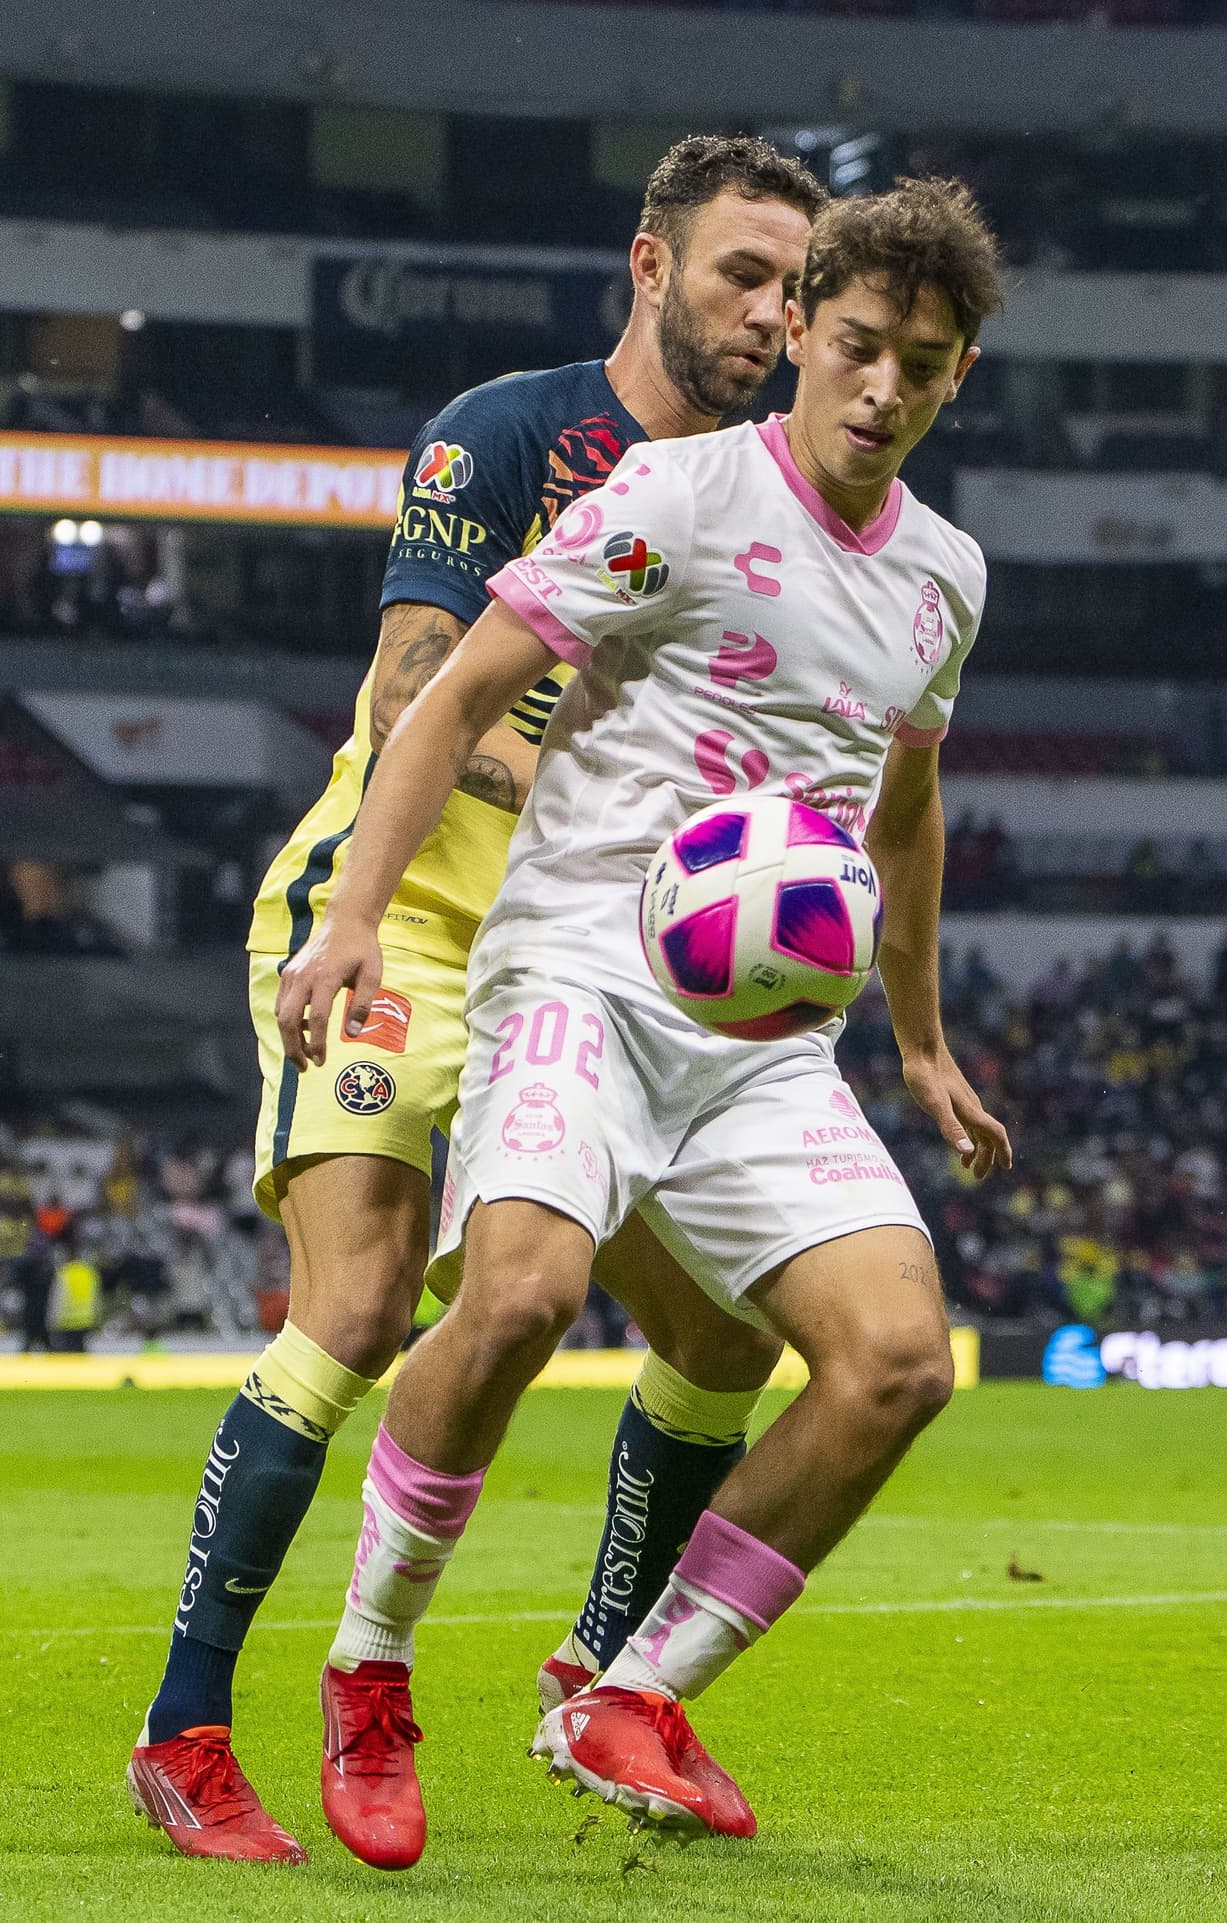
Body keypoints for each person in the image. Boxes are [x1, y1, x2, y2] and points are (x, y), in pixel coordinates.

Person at [275, 175, 1012, 1864]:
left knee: (901, 1362)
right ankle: (370, 1667)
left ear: (958, 373)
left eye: (920, 365)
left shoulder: (946, 575)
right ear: (804, 328)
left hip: (765, 1043)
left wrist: (918, 1039)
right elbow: (457, 691)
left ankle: (634, 1694)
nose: (881, 388)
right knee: (524, 1296)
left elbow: (905, 807)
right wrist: (359, 912)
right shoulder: (675, 494)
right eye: (855, 345)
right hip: (583, 973)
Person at [126, 135, 825, 1865]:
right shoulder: (504, 436)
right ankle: (186, 1732)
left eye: (799, 289)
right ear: (650, 267)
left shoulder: (774, 500)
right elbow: (414, 683)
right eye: (743, 272)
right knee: (359, 1301)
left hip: (598, 960)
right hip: (412, 922)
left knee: (724, 1337)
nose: (775, 314)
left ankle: (604, 1677)